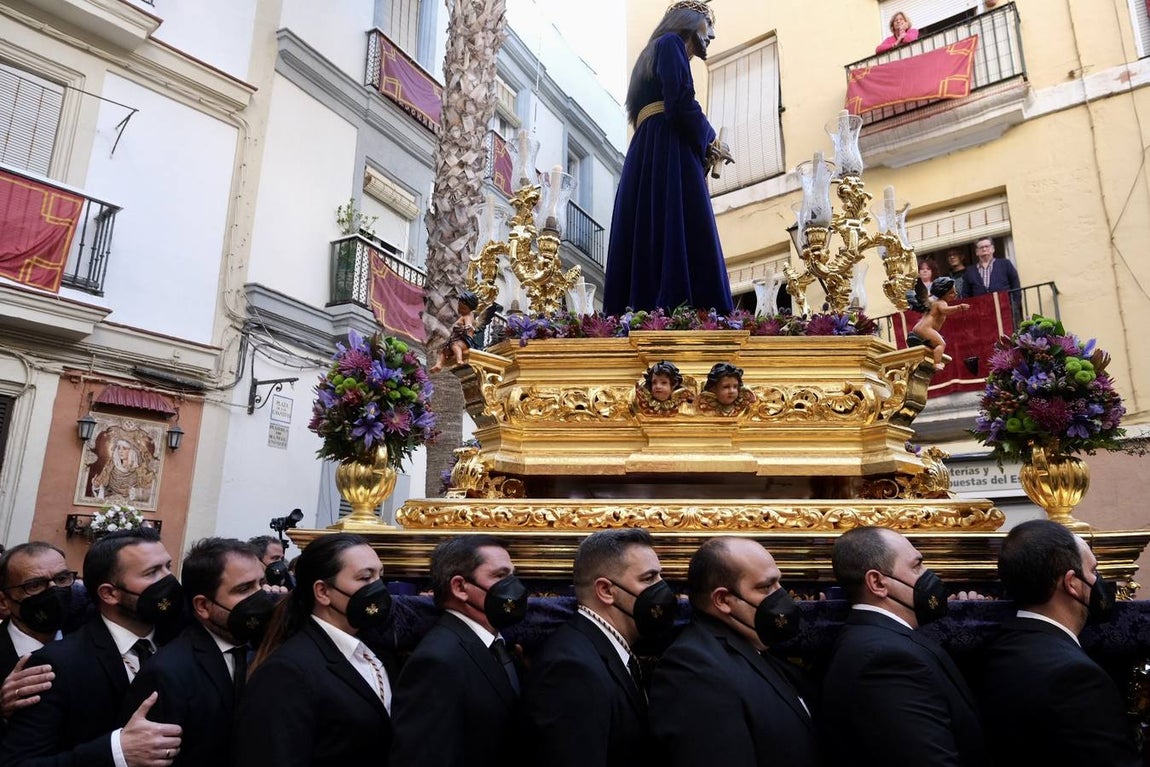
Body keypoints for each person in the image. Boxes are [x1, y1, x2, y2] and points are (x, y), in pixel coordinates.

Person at [0, 528, 185, 767]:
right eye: (151, 572)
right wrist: (116, 752)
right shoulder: (53, 664)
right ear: (108, 593)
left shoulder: (179, 636)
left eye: (168, 567)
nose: (166, 580)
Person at [603, 0, 735, 316]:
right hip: (668, 150)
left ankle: (650, 311)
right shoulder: (670, 43)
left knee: (652, 227)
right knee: (678, 224)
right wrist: (710, 138)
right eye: (708, 24)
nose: (712, 35)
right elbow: (680, 101)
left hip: (649, 153)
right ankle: (684, 311)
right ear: (689, 22)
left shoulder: (653, 53)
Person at [975, 520, 1139, 766]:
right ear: (1072, 583)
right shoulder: (1076, 676)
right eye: (1093, 571)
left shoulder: (994, 651)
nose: (1099, 581)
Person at [820, 526, 986, 767]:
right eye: (916, 566)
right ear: (877, 582)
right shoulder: (888, 661)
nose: (928, 575)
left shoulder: (884, 640)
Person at [649, 538, 820, 767]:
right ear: (722, 600)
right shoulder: (693, 669)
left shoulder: (758, 649)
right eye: (765, 587)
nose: (782, 597)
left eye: (779, 583)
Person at [234, 533, 394, 767]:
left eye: (380, 576)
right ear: (323, 592)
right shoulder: (287, 671)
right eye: (365, 578)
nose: (378, 588)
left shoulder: (373, 651)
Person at [522, 528, 677, 767]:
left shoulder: (603, 647)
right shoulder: (571, 669)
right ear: (606, 590)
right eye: (648, 578)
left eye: (660, 577)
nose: (663, 589)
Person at [121, 538, 278, 767]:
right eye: (244, 589)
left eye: (260, 584)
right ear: (203, 606)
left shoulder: (266, 650)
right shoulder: (168, 673)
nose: (259, 597)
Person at [390, 535, 528, 767]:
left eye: (512, 576)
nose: (514, 587)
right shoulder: (437, 661)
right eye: (500, 576)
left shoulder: (499, 646)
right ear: (460, 587)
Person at [0, 544, 72, 722]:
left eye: (62, 578)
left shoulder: (91, 641)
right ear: (3, 602)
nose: (54, 591)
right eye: (34, 585)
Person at [908, 276, 971, 370]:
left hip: (919, 328)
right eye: (951, 293)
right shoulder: (941, 302)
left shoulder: (932, 301)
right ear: (944, 293)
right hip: (925, 329)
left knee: (937, 341)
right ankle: (936, 363)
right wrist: (959, 307)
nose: (955, 294)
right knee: (941, 344)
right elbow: (945, 310)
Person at [429, 291, 478, 374]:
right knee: (443, 349)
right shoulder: (463, 316)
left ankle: (459, 359)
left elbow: (469, 325)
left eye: (463, 309)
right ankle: (439, 364)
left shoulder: (467, 316)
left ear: (470, 309)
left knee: (455, 345)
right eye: (459, 307)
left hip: (464, 340)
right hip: (455, 338)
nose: (460, 310)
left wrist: (467, 327)